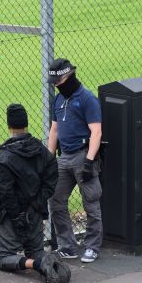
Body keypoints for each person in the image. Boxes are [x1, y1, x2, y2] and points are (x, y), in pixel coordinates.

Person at [0, 103, 69, 283]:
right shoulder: (42, 152)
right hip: (34, 212)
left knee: (4, 258)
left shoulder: (2, 156)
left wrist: (17, 214)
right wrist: (37, 204)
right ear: (26, 124)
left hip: (10, 215)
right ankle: (50, 262)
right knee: (35, 249)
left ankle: (37, 264)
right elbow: (51, 180)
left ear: (9, 126)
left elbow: (5, 191)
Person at [46, 57, 103, 264]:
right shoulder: (59, 101)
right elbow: (54, 130)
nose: (56, 86)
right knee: (56, 200)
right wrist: (49, 158)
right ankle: (68, 246)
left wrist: (89, 161)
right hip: (64, 158)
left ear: (68, 77)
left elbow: (96, 132)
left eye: (58, 82)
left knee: (91, 202)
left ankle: (92, 246)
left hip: (82, 155)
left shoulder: (87, 99)